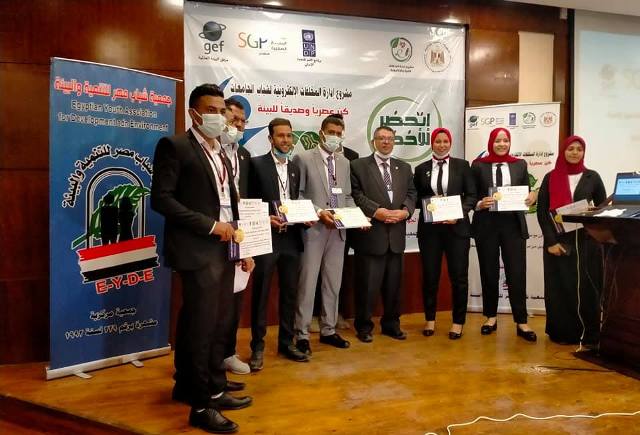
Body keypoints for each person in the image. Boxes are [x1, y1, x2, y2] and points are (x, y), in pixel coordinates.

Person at [151, 84, 254, 434]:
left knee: (212, 322)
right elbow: (162, 199)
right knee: (201, 327)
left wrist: (243, 245)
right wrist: (210, 226)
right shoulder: (175, 146)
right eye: (211, 110)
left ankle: (203, 386)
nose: (219, 116)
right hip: (196, 249)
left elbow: (229, 201)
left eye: (222, 110)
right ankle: (200, 406)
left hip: (224, 248)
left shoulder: (220, 150)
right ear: (194, 113)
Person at [248, 118, 309, 371]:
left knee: (289, 293)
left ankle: (286, 342)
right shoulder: (256, 165)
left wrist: (305, 217)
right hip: (266, 238)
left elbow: (294, 201)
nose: (286, 140)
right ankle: (257, 347)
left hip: (291, 239)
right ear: (270, 139)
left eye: (289, 135)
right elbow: (248, 203)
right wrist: (266, 218)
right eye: (281, 136)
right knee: (261, 294)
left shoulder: (294, 168)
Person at [536, 135, 606, 345]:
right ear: (563, 151)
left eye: (579, 149)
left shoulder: (592, 177)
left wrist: (594, 213)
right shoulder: (551, 177)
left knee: (588, 288)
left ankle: (590, 333)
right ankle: (563, 333)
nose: (575, 152)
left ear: (584, 152)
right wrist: (550, 242)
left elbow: (603, 208)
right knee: (560, 287)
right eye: (571, 149)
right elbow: (542, 212)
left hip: (587, 242)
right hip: (559, 241)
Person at [293, 114, 353, 356]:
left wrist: (355, 216)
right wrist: (319, 212)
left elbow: (347, 196)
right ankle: (302, 333)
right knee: (307, 284)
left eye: (339, 134)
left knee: (332, 283)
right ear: (321, 133)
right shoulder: (304, 158)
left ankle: (328, 329)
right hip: (314, 231)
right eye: (331, 132)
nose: (334, 137)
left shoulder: (344, 162)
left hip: (338, 231)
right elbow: (298, 195)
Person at [350, 126, 417, 342]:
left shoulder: (404, 167)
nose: (386, 142)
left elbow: (411, 193)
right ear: (373, 142)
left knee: (393, 287)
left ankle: (391, 325)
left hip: (396, 237)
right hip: (371, 237)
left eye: (390, 138)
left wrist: (405, 211)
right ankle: (364, 326)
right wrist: (375, 211)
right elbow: (356, 194)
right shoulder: (358, 166)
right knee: (367, 286)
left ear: (394, 141)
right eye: (381, 138)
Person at [471, 127, 538, 342]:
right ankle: (490, 317)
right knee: (489, 271)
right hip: (486, 224)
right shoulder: (478, 165)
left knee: (516, 272)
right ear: (491, 143)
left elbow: (526, 191)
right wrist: (479, 203)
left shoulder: (520, 164)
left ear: (509, 143)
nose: (502, 144)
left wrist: (531, 196)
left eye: (505, 140)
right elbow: (470, 195)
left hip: (513, 225)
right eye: (498, 140)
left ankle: (521, 321)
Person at [414, 128, 477, 340]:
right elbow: (415, 198)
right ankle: (430, 319)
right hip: (430, 231)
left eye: (445, 141)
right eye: (438, 141)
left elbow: (471, 196)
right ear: (432, 143)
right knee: (430, 276)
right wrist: (428, 204)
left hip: (456, 229)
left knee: (458, 277)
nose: (442, 145)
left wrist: (458, 214)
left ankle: (458, 322)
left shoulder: (463, 166)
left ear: (450, 143)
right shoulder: (421, 169)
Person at [219, 97, 252, 376]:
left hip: (239, 235)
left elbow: (247, 200)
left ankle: (227, 353)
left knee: (235, 299)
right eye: (233, 119)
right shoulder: (210, 150)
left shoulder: (244, 155)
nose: (238, 125)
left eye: (242, 121)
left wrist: (249, 245)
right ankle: (208, 361)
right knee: (212, 303)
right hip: (214, 234)